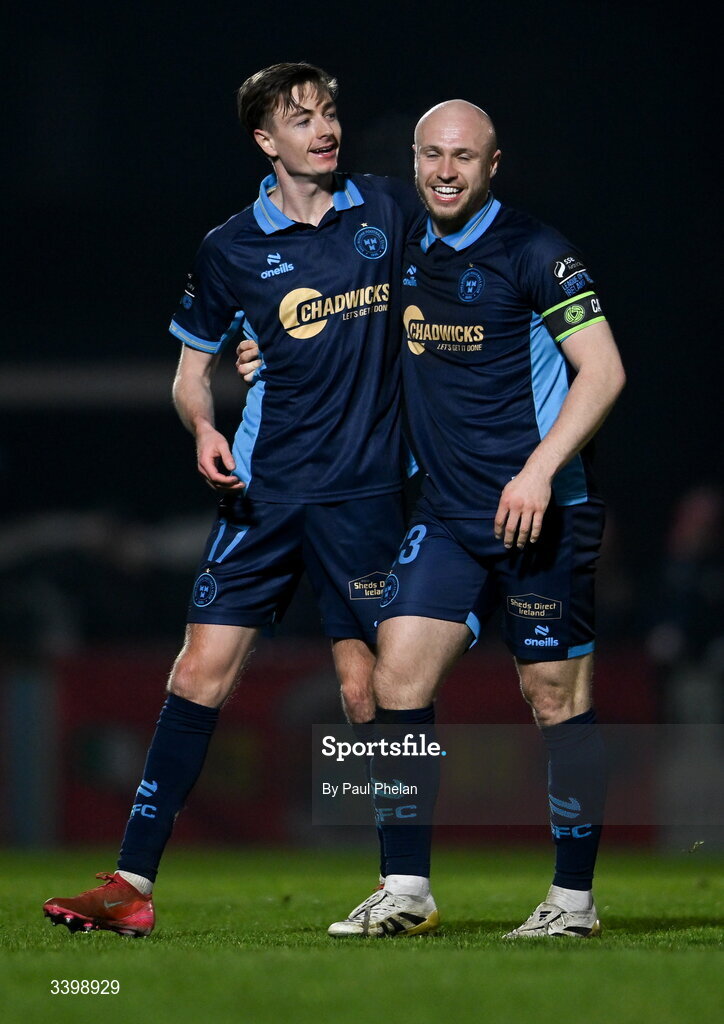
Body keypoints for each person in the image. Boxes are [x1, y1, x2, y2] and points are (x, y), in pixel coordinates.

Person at [42, 62, 422, 938]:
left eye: (330, 112)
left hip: (364, 494)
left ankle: (404, 883)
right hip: (264, 495)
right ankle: (131, 884)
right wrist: (206, 429)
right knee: (196, 673)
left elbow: (453, 281)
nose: (324, 129)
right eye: (301, 118)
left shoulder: (389, 210)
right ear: (265, 140)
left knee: (373, 690)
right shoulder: (229, 249)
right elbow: (188, 373)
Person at [326, 100, 626, 939]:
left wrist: (538, 470)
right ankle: (407, 888)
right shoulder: (404, 244)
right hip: (454, 517)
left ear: (495, 166)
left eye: (464, 157)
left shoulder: (537, 250)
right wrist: (247, 344)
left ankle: (573, 901)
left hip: (543, 512)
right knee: (397, 680)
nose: (445, 171)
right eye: (431, 155)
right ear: (413, 161)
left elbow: (603, 372)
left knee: (551, 696)